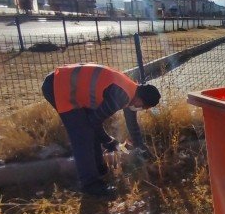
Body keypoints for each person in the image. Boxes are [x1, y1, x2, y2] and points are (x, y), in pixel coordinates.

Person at [41, 63, 161, 197]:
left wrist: (140, 147)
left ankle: (99, 169)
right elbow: (93, 122)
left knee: (88, 131)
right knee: (83, 135)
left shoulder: (130, 90)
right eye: (144, 107)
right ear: (140, 101)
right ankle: (90, 185)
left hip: (69, 86)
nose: (140, 109)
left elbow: (132, 123)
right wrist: (109, 141)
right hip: (59, 86)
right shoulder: (122, 96)